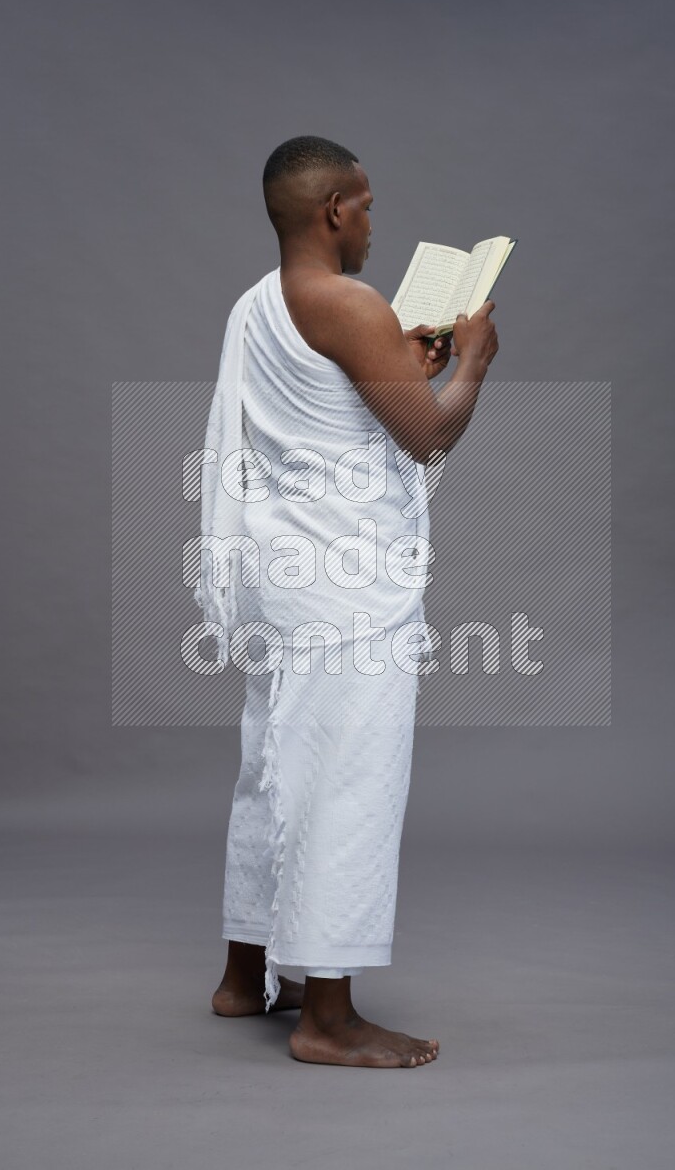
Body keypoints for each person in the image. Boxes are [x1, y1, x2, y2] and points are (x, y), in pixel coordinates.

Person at [204, 136, 499, 1067]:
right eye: (366, 206)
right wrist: (473, 361)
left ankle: (245, 975)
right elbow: (427, 435)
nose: (373, 223)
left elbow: (333, 410)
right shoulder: (352, 304)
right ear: (334, 208)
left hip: (283, 579)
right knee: (345, 782)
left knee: (272, 767)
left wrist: (400, 360)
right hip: (346, 590)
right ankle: (327, 1018)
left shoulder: (256, 304)